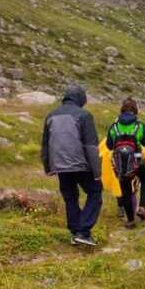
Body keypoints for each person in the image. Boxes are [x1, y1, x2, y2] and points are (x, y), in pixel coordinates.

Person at [42, 85, 102, 247]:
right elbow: (91, 146)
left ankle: (75, 232)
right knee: (95, 192)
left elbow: (46, 144)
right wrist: (97, 171)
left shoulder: (51, 115)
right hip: (81, 164)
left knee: (70, 197)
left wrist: (48, 166)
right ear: (81, 99)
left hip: (60, 165)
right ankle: (83, 231)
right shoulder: (84, 115)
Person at [106, 98, 145, 228]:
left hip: (120, 165)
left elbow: (109, 146)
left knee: (125, 190)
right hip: (137, 162)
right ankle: (142, 206)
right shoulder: (139, 126)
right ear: (135, 110)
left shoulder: (114, 127)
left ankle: (131, 220)